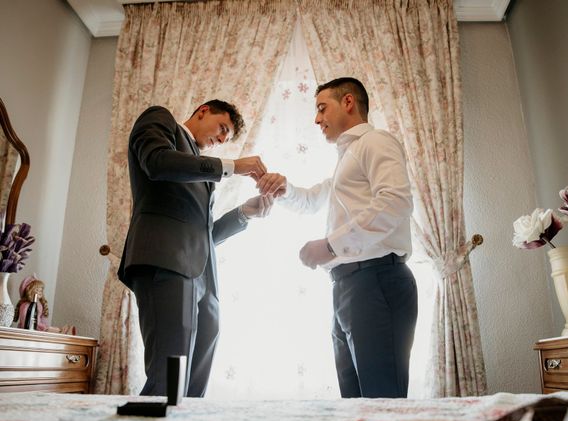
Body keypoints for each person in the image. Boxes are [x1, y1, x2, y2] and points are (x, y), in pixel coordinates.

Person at [258, 77, 418, 398]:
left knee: (380, 402)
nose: (316, 119)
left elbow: (395, 202)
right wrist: (283, 188)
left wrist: (331, 246)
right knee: (356, 405)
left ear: (348, 103)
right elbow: (311, 199)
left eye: (321, 108)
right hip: (348, 288)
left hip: (376, 281)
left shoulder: (376, 142)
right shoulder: (347, 159)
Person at [118, 100, 274, 397]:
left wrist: (244, 213)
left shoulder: (198, 168)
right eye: (222, 128)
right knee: (169, 376)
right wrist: (232, 167)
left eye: (225, 139)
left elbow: (205, 232)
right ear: (203, 111)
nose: (221, 140)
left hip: (203, 277)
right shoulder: (160, 120)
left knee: (194, 382)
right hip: (165, 263)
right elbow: (157, 163)